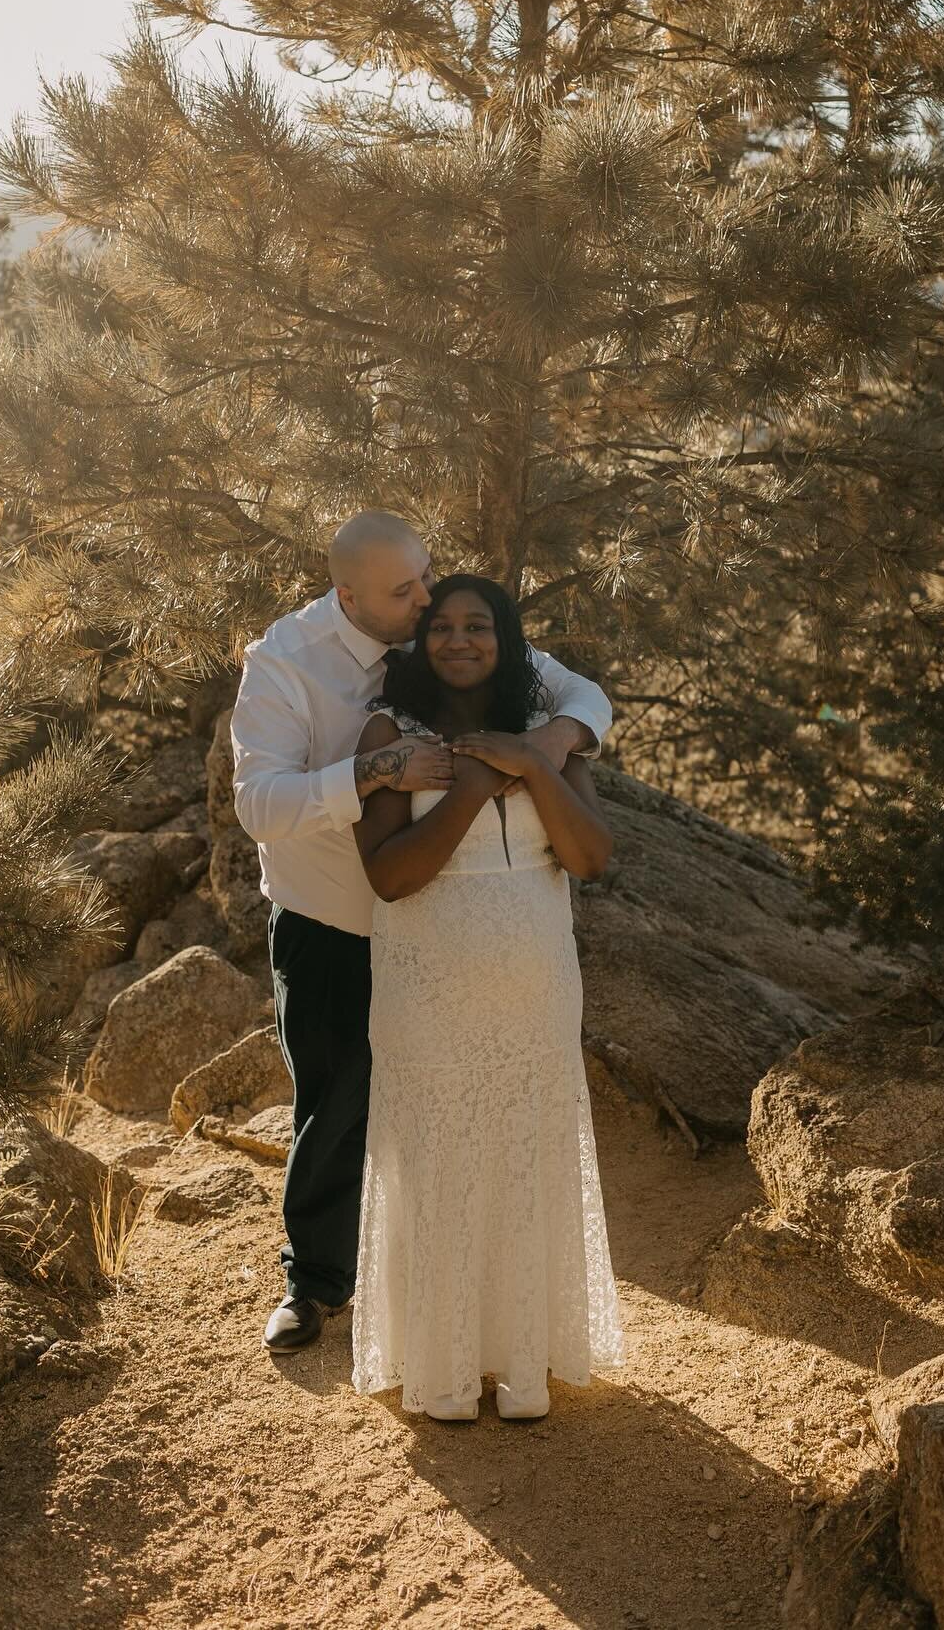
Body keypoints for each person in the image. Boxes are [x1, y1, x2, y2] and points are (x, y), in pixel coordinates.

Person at [229, 511, 612, 1354]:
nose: (428, 599)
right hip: (334, 917)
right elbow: (257, 804)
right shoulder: (285, 662)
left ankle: (458, 1293)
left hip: (445, 927)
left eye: (427, 577)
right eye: (407, 591)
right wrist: (372, 770)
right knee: (334, 1100)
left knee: (451, 1112)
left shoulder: (440, 632)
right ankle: (315, 1284)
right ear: (349, 597)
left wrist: (544, 745)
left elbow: (583, 695)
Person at [348, 572, 626, 1421]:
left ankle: (524, 1364)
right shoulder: (391, 735)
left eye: (479, 626)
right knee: (439, 1163)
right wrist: (472, 782)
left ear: (506, 643)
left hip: (535, 994)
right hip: (429, 998)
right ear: (417, 642)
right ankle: (444, 1371)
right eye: (440, 626)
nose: (459, 640)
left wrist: (529, 763)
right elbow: (390, 875)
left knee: (521, 1156)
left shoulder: (550, 739)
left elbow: (590, 857)